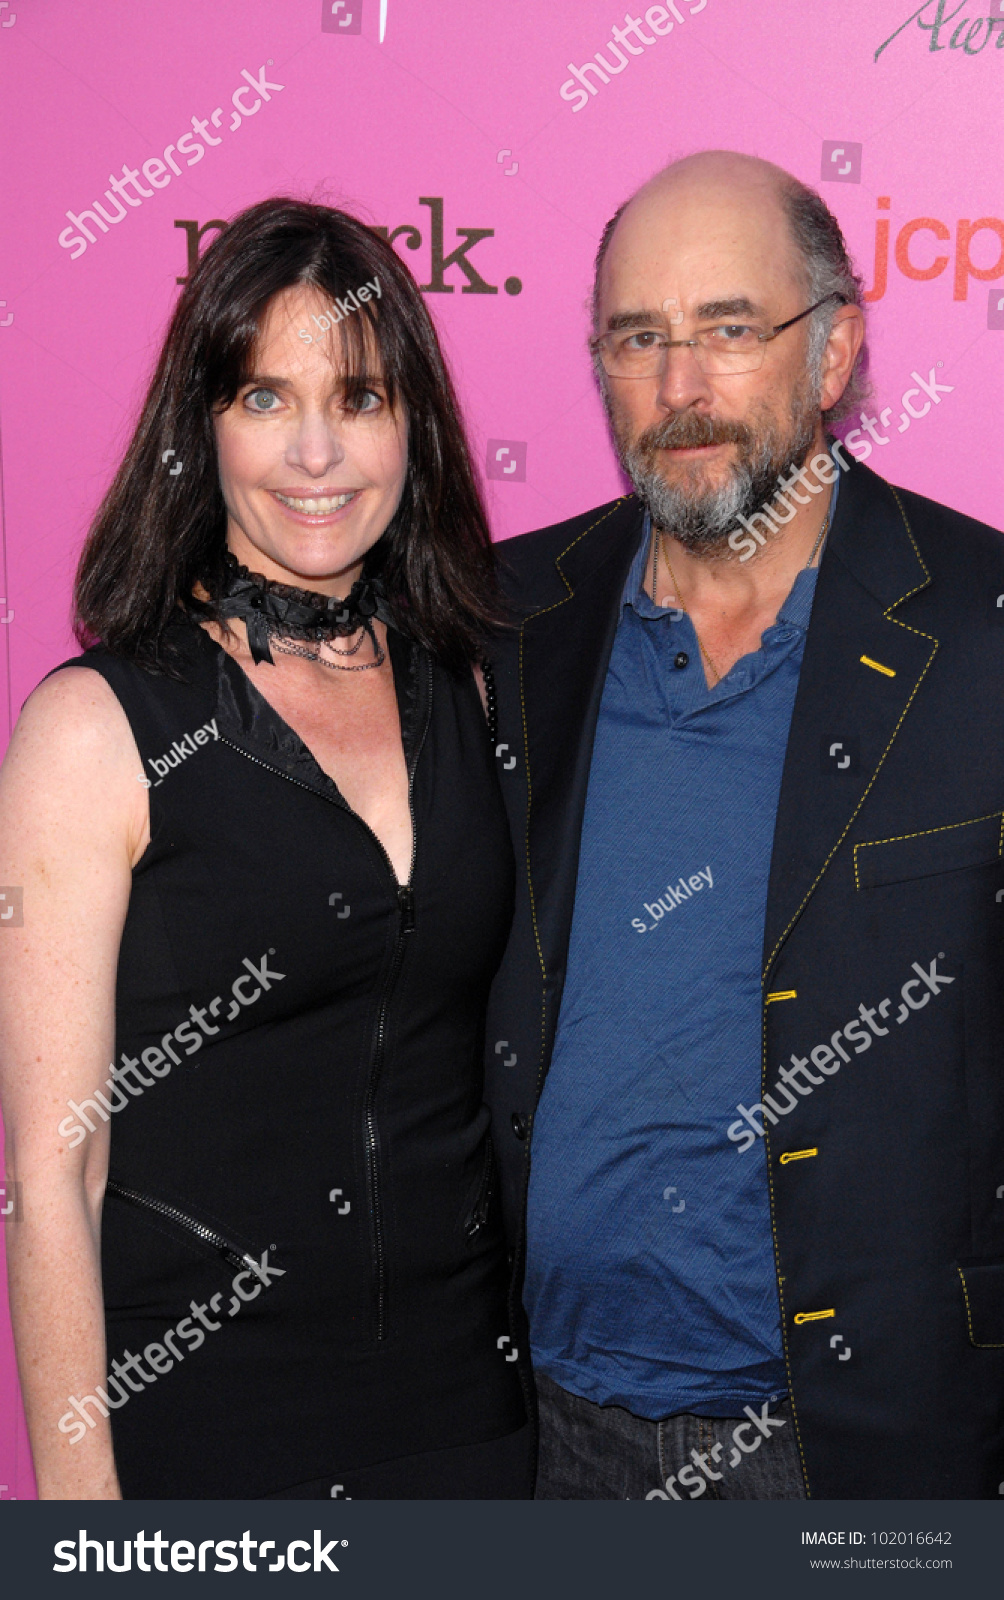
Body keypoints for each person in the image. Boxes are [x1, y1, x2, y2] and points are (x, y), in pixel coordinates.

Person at [483, 149, 1004, 1500]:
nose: (679, 391)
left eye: (728, 331)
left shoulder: (982, 630)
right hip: (539, 1442)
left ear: (834, 352)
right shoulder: (496, 625)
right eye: (637, 339)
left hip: (866, 1456)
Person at [0, 198, 530, 1500]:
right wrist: (84, 1528)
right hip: (214, 1448)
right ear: (203, 428)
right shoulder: (99, 728)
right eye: (263, 398)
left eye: (357, 400)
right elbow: (52, 1174)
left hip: (476, 1432)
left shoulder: (470, 691)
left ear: (414, 426)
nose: (315, 454)